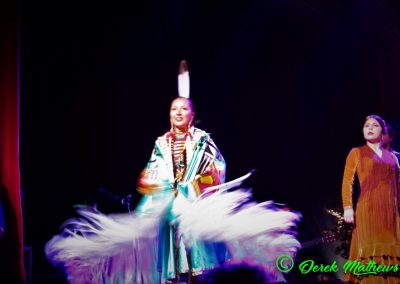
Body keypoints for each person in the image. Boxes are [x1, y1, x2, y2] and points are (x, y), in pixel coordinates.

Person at [45, 61, 301, 284]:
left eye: (183, 109)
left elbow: (216, 168)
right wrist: (165, 187)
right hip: (168, 208)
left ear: (193, 114)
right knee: (169, 263)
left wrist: (190, 187)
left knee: (200, 263)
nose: (178, 112)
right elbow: (150, 173)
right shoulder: (161, 142)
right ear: (169, 115)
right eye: (173, 109)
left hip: (196, 207)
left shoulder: (202, 140)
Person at [341, 114, 400, 284]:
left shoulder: (393, 159)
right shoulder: (357, 152)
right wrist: (347, 207)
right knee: (369, 253)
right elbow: (347, 181)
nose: (370, 127)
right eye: (367, 125)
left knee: (391, 257)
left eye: (375, 125)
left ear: (383, 132)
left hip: (390, 214)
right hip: (368, 210)